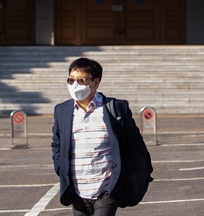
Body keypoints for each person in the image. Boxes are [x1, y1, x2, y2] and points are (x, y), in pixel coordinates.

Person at [51, 57, 149, 215]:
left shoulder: (115, 108)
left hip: (106, 189)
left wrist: (120, 175)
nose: (74, 85)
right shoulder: (62, 110)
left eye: (81, 80)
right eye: (71, 80)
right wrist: (60, 167)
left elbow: (135, 144)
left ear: (95, 83)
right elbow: (57, 143)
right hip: (77, 189)